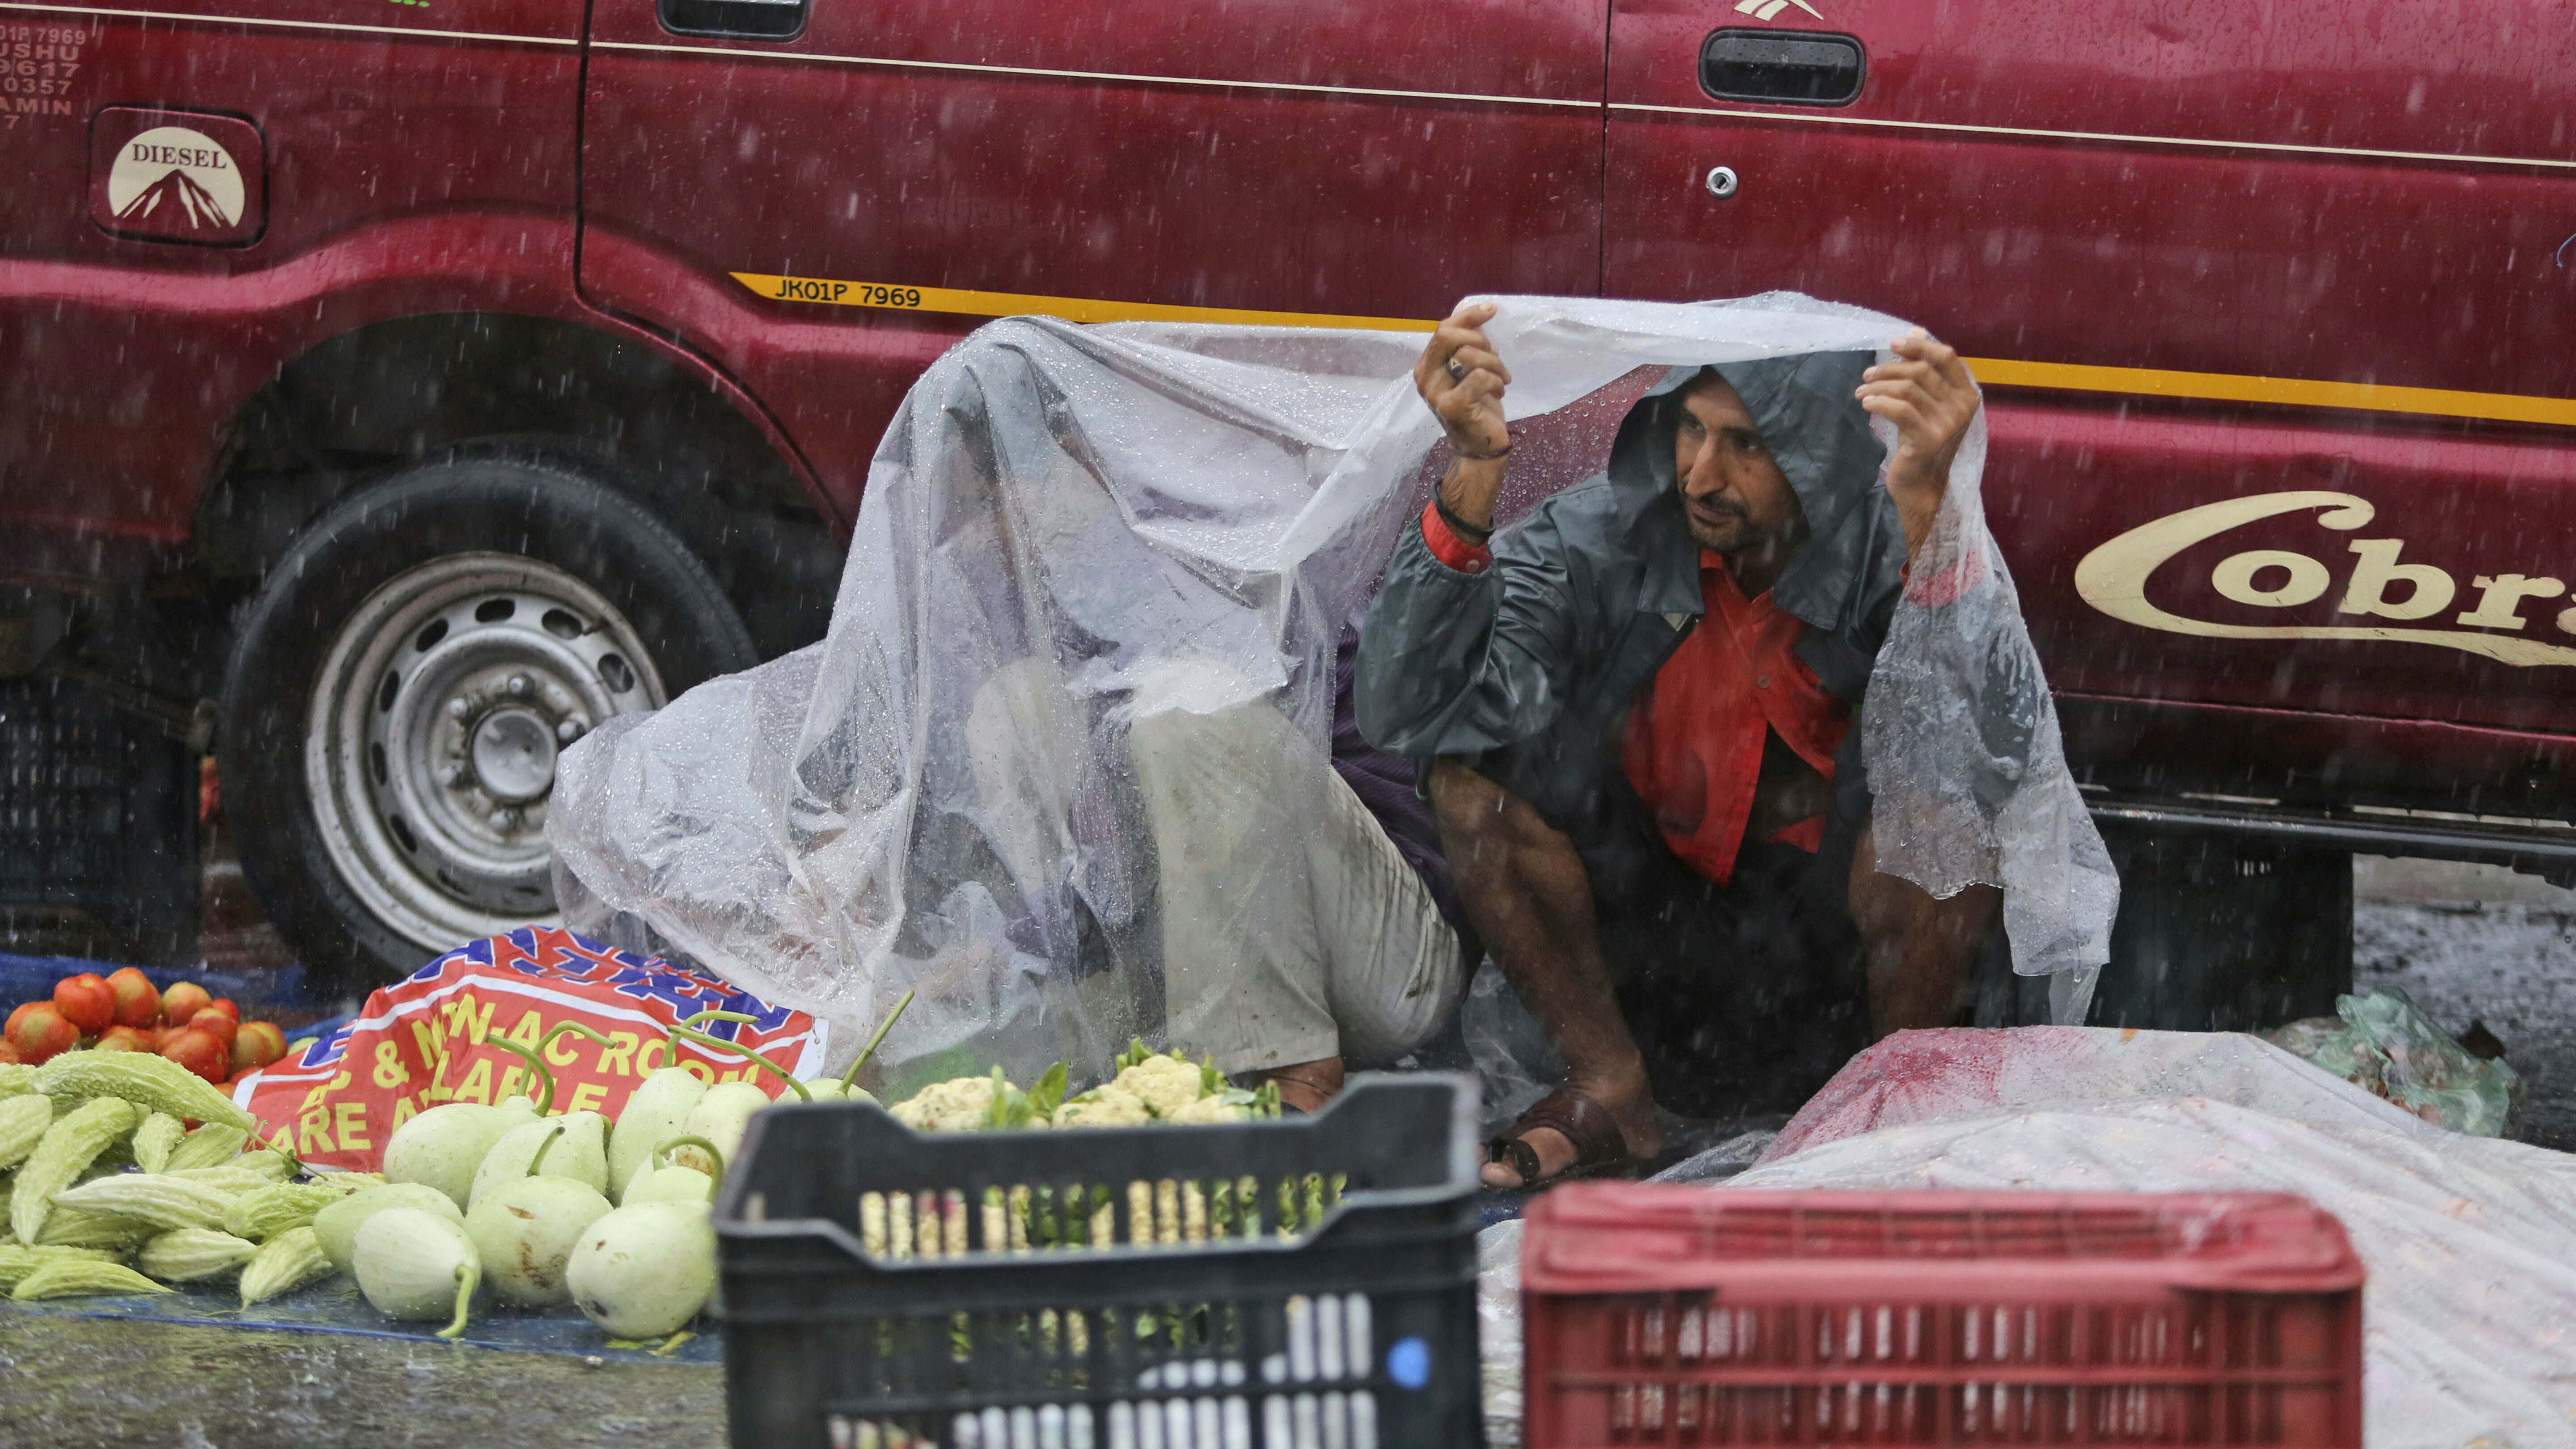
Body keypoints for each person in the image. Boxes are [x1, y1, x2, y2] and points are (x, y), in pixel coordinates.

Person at [1356, 302, 2000, 1189]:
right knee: (1474, 776)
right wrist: (1474, 471)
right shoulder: (1600, 537)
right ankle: (1610, 1091)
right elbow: (1410, 711)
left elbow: (1998, 745)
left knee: (1940, 805)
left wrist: (1932, 519)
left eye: (1746, 445)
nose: (1702, 474)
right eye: (1690, 431)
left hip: (1836, 972)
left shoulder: (1887, 539)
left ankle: (1894, 1112)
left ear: (1814, 460)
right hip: (1652, 955)